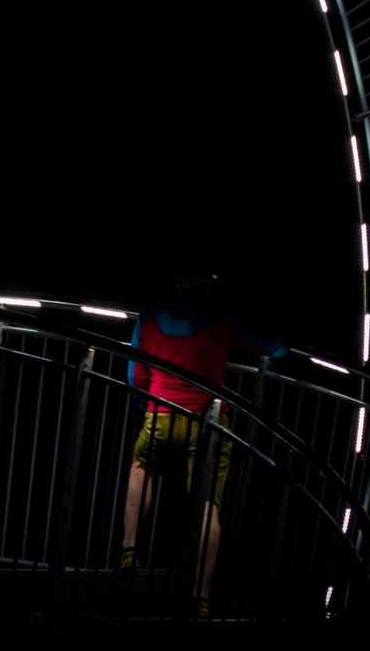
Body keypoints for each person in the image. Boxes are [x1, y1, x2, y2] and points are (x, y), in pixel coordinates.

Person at [121, 257, 287, 618]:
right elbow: (269, 346)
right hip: (208, 421)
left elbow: (135, 369)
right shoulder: (220, 316)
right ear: (207, 282)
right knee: (208, 505)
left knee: (140, 467)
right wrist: (286, 350)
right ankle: (200, 597)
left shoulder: (150, 314)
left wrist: (144, 399)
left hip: (160, 414)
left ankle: (129, 548)